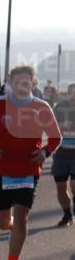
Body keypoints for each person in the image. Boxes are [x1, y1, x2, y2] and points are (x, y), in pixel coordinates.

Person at [0, 65, 62, 260]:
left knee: (22, 217)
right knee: (3, 223)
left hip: (28, 170)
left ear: (33, 84)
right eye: (16, 82)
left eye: (26, 82)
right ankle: (12, 228)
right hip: (1, 170)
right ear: (10, 84)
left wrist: (44, 152)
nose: (21, 86)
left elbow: (55, 137)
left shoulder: (41, 108)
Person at [52, 83, 75, 227]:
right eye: (72, 93)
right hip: (61, 153)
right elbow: (50, 125)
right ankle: (67, 214)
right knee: (61, 187)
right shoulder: (59, 108)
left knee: (74, 185)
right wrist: (60, 127)